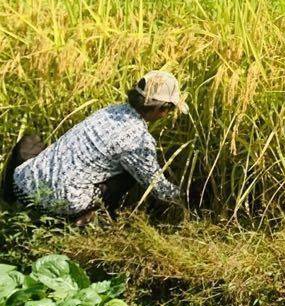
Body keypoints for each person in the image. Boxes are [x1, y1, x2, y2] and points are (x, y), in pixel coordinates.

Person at [3, 71, 188, 222]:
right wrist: (188, 198)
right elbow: (157, 187)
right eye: (168, 110)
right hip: (56, 204)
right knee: (128, 176)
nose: (166, 114)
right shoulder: (139, 141)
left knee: (31, 142)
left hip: (21, 185)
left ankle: (8, 201)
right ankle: (84, 219)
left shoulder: (110, 110)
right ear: (159, 109)